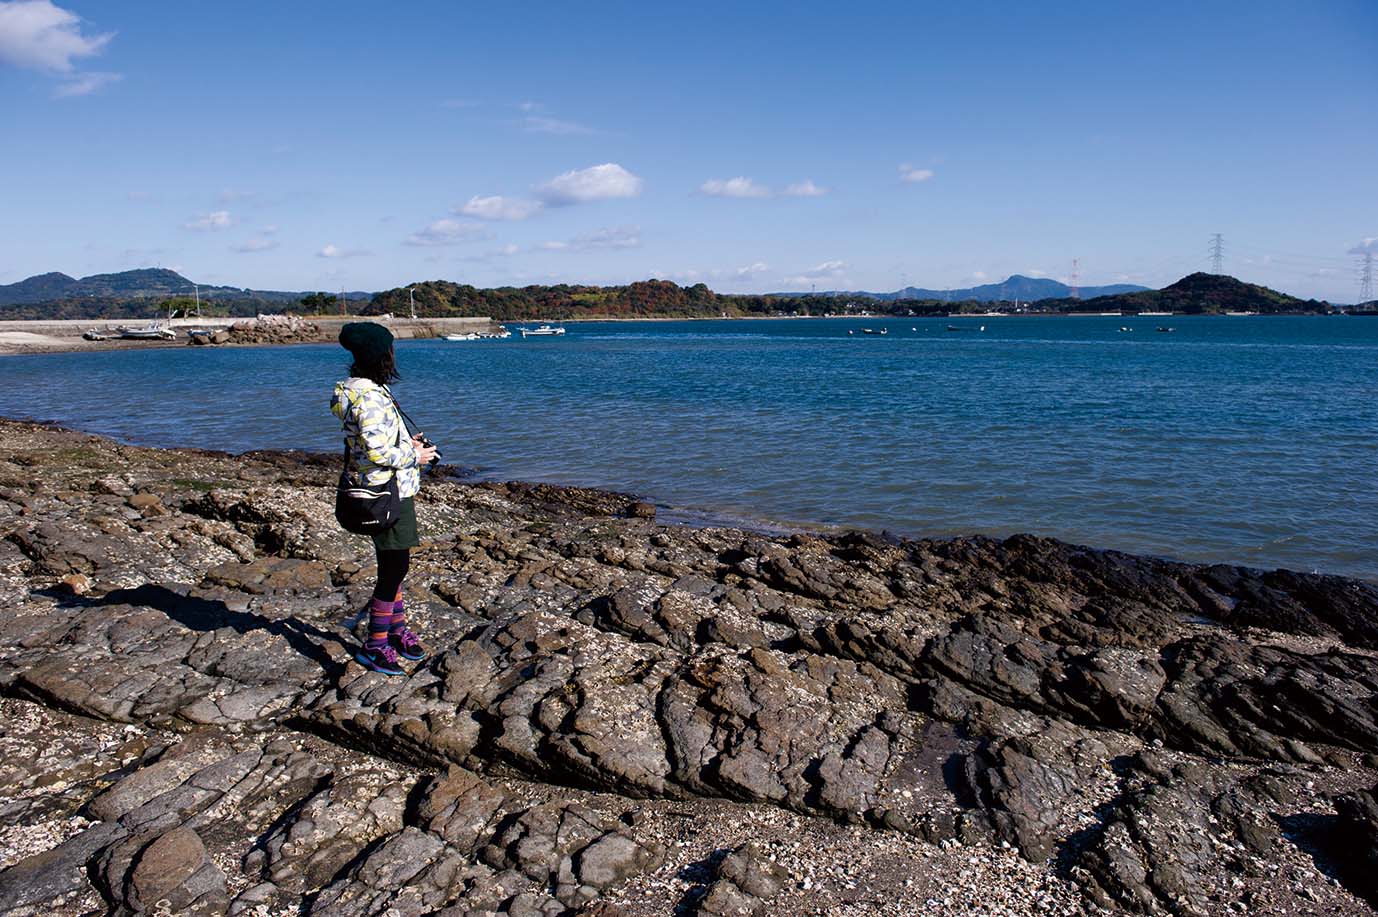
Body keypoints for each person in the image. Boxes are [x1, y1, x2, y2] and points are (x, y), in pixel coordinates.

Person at [330, 321, 438, 675]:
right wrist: (415, 456)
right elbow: (377, 451)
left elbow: (368, 443)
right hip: (386, 492)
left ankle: (396, 628)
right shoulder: (371, 399)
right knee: (395, 569)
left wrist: (408, 443)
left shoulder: (358, 391)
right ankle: (375, 644)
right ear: (381, 356)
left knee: (393, 566)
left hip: (379, 488)